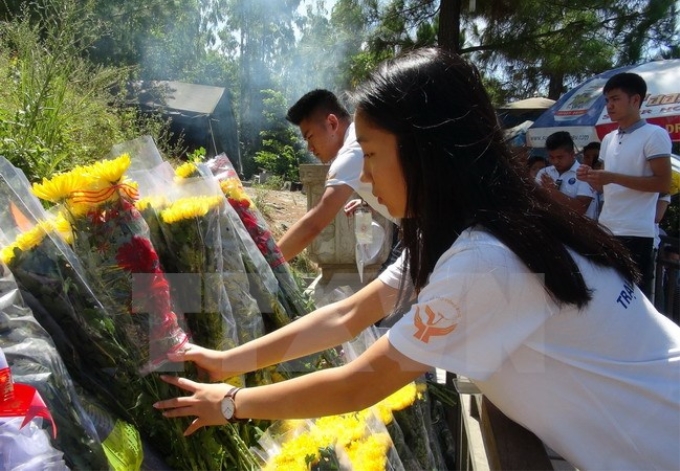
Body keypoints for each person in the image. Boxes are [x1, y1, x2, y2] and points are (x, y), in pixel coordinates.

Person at [155, 48, 680, 471]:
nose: (369, 177)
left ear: (428, 151)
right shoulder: (478, 227)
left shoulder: (487, 260)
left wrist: (229, 404)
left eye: (374, 154)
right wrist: (229, 361)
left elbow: (360, 382)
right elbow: (346, 315)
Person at [577, 72, 672, 298]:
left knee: (634, 300)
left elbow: (663, 182)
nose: (609, 106)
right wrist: (591, 177)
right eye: (607, 100)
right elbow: (605, 186)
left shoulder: (654, 135)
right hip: (606, 229)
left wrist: (611, 177)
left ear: (635, 100)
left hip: (636, 232)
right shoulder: (608, 138)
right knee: (607, 298)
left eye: (615, 99)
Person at [276, 89, 394, 262]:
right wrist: (370, 200)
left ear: (332, 123)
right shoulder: (361, 138)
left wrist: (265, 263)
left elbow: (313, 224)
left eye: (310, 137)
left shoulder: (350, 153)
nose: (310, 148)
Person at [536, 131, 597, 219]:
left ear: (572, 154)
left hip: (579, 230)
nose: (555, 161)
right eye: (551, 157)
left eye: (560, 157)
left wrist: (553, 192)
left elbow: (581, 209)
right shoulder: (544, 172)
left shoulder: (584, 173)